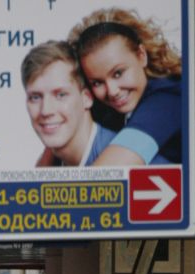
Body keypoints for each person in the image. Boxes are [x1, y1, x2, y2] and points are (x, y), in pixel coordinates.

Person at [69, 8, 184, 170]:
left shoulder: (167, 100)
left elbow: (103, 177)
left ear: (141, 55)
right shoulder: (111, 110)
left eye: (118, 73)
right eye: (97, 83)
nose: (112, 91)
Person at [22, 40, 115, 167]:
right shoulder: (51, 163)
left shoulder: (124, 161)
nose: (46, 111)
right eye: (35, 97)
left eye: (61, 95)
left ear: (86, 98)